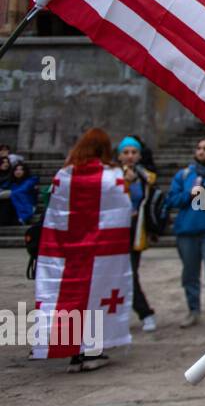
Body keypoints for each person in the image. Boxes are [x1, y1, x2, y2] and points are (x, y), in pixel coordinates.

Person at [31, 128, 133, 372]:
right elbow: (124, 209)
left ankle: (74, 353)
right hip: (101, 254)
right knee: (97, 298)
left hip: (67, 253)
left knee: (72, 299)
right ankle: (92, 352)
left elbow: (52, 211)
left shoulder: (63, 175)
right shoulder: (112, 176)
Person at [166, 135, 205, 327]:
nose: (201, 151)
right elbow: (172, 200)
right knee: (190, 274)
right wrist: (189, 193)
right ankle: (193, 310)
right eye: (199, 148)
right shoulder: (185, 175)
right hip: (187, 231)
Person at [117, 137, 157, 333]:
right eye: (126, 152)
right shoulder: (112, 174)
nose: (130, 156)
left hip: (135, 229)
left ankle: (145, 312)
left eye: (133, 152)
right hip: (114, 228)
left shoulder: (144, 176)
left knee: (130, 274)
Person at [1, 159, 38, 227]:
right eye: (16, 170)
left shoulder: (31, 180)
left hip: (26, 205)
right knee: (5, 203)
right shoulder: (12, 182)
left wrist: (7, 193)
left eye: (21, 170)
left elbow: (20, 191)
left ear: (25, 171)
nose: (18, 172)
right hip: (14, 206)